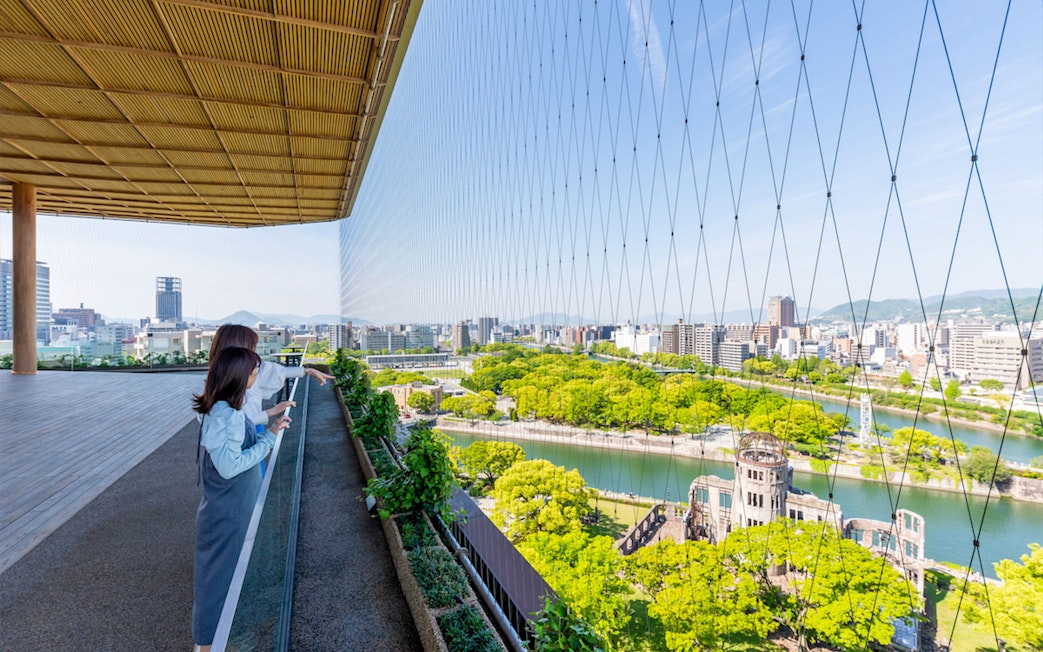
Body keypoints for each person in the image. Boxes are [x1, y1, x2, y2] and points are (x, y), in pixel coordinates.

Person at [191, 346, 292, 651]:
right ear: (240, 376)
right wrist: (269, 438)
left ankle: (217, 641)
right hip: (230, 512)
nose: (257, 376)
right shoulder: (227, 416)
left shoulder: (220, 408)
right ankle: (211, 644)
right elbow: (230, 465)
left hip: (225, 508)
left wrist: (268, 428)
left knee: (220, 576)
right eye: (253, 372)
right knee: (221, 579)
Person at [207, 324, 334, 428]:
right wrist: (270, 413)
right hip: (246, 434)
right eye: (251, 348)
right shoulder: (223, 391)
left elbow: (274, 371)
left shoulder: (222, 380)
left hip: (252, 427)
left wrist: (308, 371)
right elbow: (234, 425)